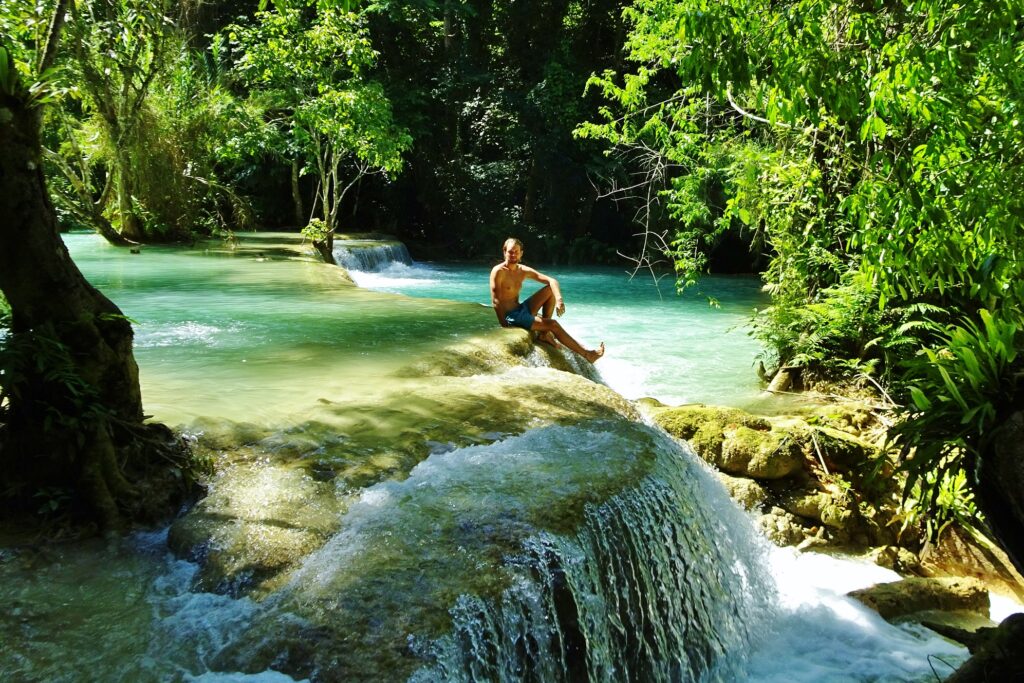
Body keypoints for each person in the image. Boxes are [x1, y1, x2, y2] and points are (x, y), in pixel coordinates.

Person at [489, 237, 605, 363]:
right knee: (553, 324)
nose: (513, 254)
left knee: (551, 289)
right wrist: (504, 326)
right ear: (504, 252)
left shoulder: (522, 270)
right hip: (512, 316)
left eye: (516, 251)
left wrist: (559, 300)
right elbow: (496, 301)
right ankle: (587, 355)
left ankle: (544, 334)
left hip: (521, 309)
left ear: (521, 253)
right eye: (510, 251)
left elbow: (552, 280)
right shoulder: (498, 271)